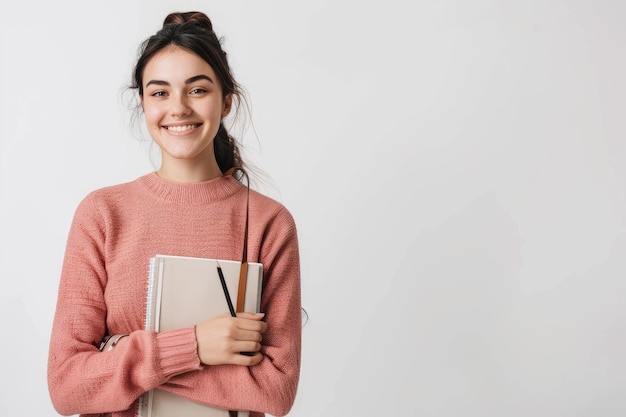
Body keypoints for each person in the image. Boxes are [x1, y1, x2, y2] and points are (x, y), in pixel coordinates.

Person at [47, 11, 301, 417]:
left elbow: (275, 391)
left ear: (227, 100)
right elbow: (67, 386)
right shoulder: (102, 214)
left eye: (197, 90)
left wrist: (120, 351)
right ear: (143, 103)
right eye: (160, 93)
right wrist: (196, 345)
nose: (178, 108)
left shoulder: (268, 223)